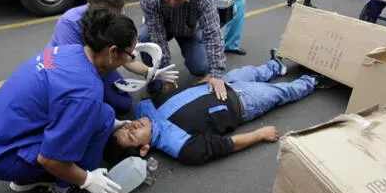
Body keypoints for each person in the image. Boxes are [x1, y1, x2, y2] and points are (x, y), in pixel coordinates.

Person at [0, 9, 139, 193]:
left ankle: (30, 178)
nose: (131, 59)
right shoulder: (86, 91)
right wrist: (87, 179)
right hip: (4, 159)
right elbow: (49, 158)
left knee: (104, 114)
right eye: (131, 55)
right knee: (103, 117)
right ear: (112, 52)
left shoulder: (70, 51)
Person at [105, 50, 317, 165]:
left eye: (126, 128)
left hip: (215, 83)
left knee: (257, 71)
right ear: (144, 149)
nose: (132, 127)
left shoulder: (143, 108)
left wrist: (204, 81)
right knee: (282, 92)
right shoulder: (181, 147)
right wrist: (260, 134)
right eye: (132, 136)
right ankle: (314, 81)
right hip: (242, 103)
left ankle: (276, 66)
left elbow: (176, 94)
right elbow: (227, 145)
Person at [47, 0, 177, 114]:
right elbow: (76, 73)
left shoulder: (114, 17)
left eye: (117, 14)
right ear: (89, 7)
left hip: (100, 62)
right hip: (67, 71)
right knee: (89, 107)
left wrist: (150, 72)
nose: (112, 21)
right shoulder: (69, 24)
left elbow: (126, 57)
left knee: (123, 103)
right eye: (107, 16)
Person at [139, 0, 228, 100]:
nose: (173, 2)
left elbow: (213, 33)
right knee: (145, 37)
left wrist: (217, 73)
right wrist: (165, 73)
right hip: (163, 28)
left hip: (188, 29)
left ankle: (207, 68)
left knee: (201, 66)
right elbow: (158, 39)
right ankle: (154, 84)